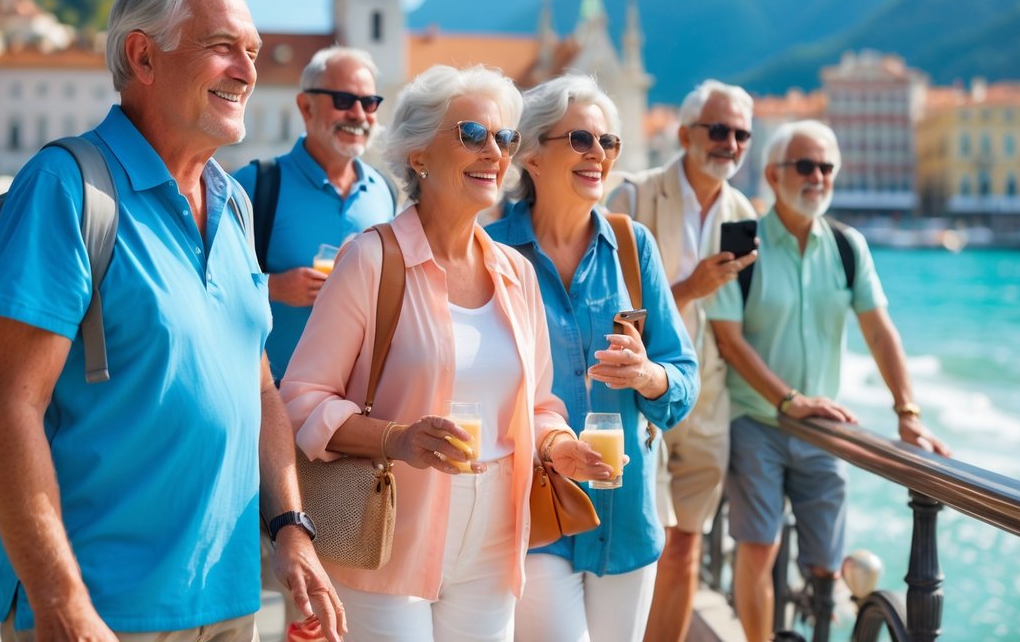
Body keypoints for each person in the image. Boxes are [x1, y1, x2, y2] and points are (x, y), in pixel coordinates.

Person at [0, 0, 344, 642]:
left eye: (253, 52)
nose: (247, 71)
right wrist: (63, 603)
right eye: (222, 48)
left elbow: (257, 390)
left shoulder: (232, 206)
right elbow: (3, 412)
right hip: (106, 607)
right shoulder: (68, 187)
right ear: (142, 57)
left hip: (230, 602)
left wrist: (291, 529)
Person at [281, 64, 612, 642]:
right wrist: (398, 439)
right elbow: (300, 401)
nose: (494, 152)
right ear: (418, 155)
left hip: (495, 539)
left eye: (505, 138)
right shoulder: (371, 259)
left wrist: (561, 447)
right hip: (385, 534)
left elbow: (539, 403)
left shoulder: (516, 274)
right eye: (472, 135)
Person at [707, 120, 950, 642]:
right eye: (805, 166)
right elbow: (728, 339)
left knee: (827, 563)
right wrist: (788, 400)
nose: (818, 177)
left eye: (826, 167)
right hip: (757, 419)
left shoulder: (848, 246)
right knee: (758, 548)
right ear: (773, 175)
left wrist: (907, 414)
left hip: (824, 430)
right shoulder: (739, 241)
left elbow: (881, 333)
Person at [487, 74, 699, 642]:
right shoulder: (489, 250)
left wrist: (650, 376)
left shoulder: (634, 247)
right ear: (530, 154)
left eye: (608, 144)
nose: (598, 156)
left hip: (624, 516)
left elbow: (683, 376)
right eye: (581, 140)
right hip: (532, 509)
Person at [607, 79, 758, 642]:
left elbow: (743, 323)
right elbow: (611, 313)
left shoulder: (744, 211)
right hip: (643, 399)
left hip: (710, 400)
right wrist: (690, 288)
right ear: (685, 134)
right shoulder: (632, 198)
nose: (731, 143)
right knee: (651, 545)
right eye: (718, 130)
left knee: (687, 548)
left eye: (741, 133)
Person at [233, 46, 397, 384]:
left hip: (356, 405)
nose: (358, 114)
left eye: (369, 103)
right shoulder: (253, 185)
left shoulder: (385, 191)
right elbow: (205, 287)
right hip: (272, 399)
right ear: (306, 107)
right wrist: (272, 287)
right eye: (342, 100)